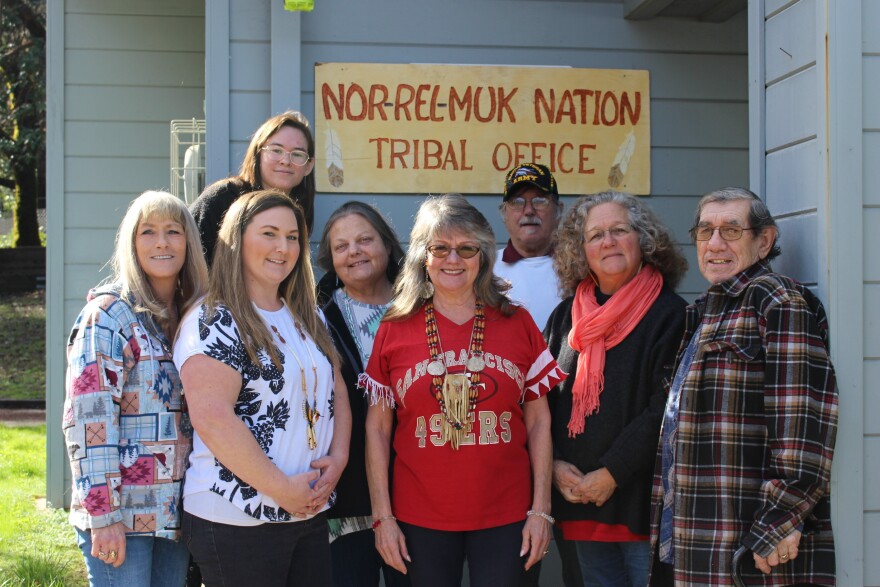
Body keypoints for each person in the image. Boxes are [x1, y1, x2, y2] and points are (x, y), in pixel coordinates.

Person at [363, 194, 566, 587]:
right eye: (440, 248)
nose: (452, 259)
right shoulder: (394, 327)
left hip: (508, 516)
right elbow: (377, 430)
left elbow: (539, 420)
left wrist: (541, 511)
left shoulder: (517, 321)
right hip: (416, 519)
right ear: (424, 256)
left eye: (466, 248)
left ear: (483, 256)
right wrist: (383, 518)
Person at [649, 187, 838, 586]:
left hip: (746, 548)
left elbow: (803, 423)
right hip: (689, 539)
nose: (715, 244)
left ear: (764, 241)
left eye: (731, 231)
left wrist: (779, 521)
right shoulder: (703, 310)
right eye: (705, 232)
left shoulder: (777, 300)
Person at [173, 190, 351, 586]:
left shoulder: (305, 314)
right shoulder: (214, 320)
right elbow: (213, 418)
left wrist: (337, 460)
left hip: (306, 511)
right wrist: (281, 488)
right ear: (236, 240)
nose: (282, 247)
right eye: (269, 233)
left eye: (292, 237)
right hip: (237, 516)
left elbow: (336, 389)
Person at [62, 190, 209, 586]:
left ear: (188, 243)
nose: (162, 242)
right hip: (121, 518)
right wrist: (103, 518)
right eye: (148, 231)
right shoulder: (108, 316)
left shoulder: (193, 319)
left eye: (173, 231)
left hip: (174, 514)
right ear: (132, 243)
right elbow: (87, 422)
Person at [543, 192, 688, 587]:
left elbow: (666, 408)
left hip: (640, 506)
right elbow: (539, 401)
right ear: (581, 250)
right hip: (581, 504)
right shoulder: (564, 316)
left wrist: (611, 473)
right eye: (596, 235)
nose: (608, 241)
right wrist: (553, 465)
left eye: (619, 230)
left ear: (643, 240)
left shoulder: (671, 314)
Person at [315, 201, 410, 587]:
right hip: (347, 500)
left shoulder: (421, 309)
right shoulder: (316, 319)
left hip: (415, 495)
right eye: (341, 246)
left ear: (388, 246)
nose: (353, 251)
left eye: (364, 240)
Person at [189, 110, 316, 266]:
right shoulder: (222, 199)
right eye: (276, 150)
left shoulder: (299, 212)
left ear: (309, 166)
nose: (286, 160)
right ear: (258, 154)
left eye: (297, 154)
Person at [494, 162, 564, 331]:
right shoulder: (484, 267)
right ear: (504, 213)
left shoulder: (580, 267)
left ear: (559, 211)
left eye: (540, 201)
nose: (529, 211)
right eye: (517, 202)